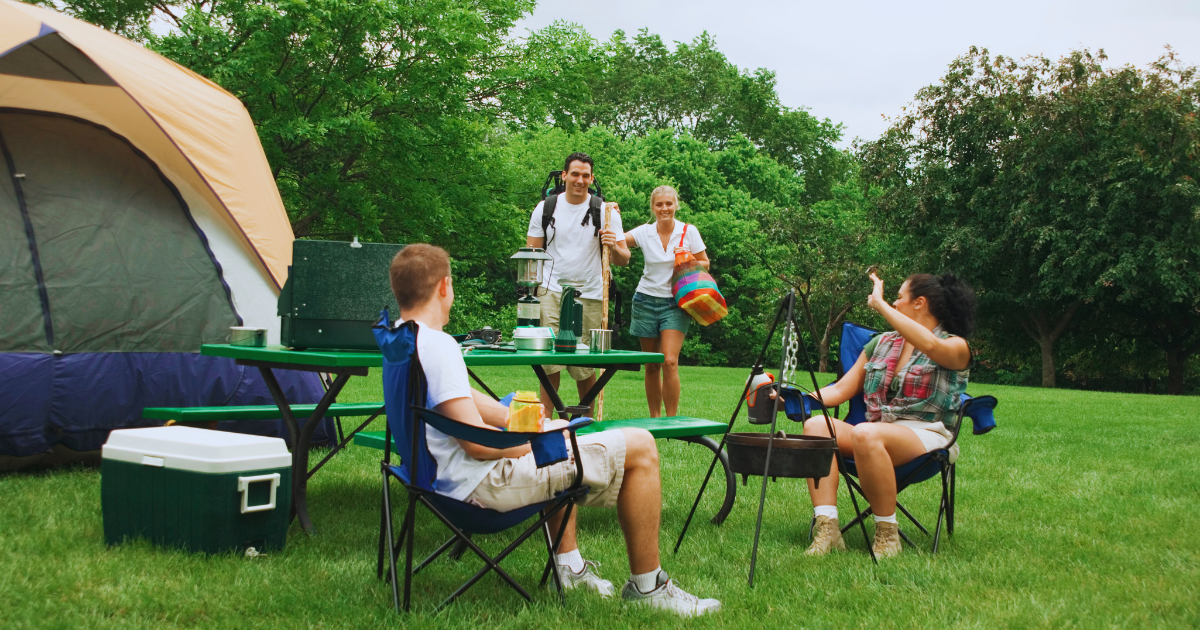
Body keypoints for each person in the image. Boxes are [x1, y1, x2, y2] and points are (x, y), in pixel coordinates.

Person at [387, 243, 720, 616]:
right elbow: (476, 445)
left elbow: (463, 398)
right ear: (444, 286)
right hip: (480, 487)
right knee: (641, 445)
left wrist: (535, 422)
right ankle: (649, 587)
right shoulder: (440, 346)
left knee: (555, 429)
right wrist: (539, 441)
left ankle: (570, 568)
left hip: (437, 481)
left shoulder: (404, 337)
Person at [796, 271, 976, 559]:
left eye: (899, 297)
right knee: (817, 425)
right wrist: (795, 397)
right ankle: (827, 529)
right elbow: (841, 389)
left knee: (866, 432)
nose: (894, 302)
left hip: (928, 433)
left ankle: (887, 536)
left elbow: (930, 346)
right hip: (876, 433)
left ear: (919, 303)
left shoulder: (955, 345)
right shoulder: (881, 343)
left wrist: (879, 304)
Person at [527, 152, 630, 418]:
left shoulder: (606, 212)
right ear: (564, 176)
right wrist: (531, 294)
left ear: (592, 179)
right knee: (549, 362)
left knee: (585, 365)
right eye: (575, 174)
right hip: (550, 291)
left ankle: (583, 425)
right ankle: (545, 424)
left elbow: (624, 259)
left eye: (586, 175)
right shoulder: (545, 208)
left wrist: (612, 245)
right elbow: (532, 254)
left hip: (591, 294)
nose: (580, 180)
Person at [622, 185, 709, 417]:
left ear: (676, 205)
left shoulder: (688, 231)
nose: (664, 208)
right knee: (652, 365)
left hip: (675, 303)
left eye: (669, 203)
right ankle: (655, 418)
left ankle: (671, 419)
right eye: (659, 204)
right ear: (653, 207)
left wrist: (685, 259)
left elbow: (705, 263)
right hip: (645, 301)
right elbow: (619, 239)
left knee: (670, 361)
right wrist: (611, 217)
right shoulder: (645, 232)